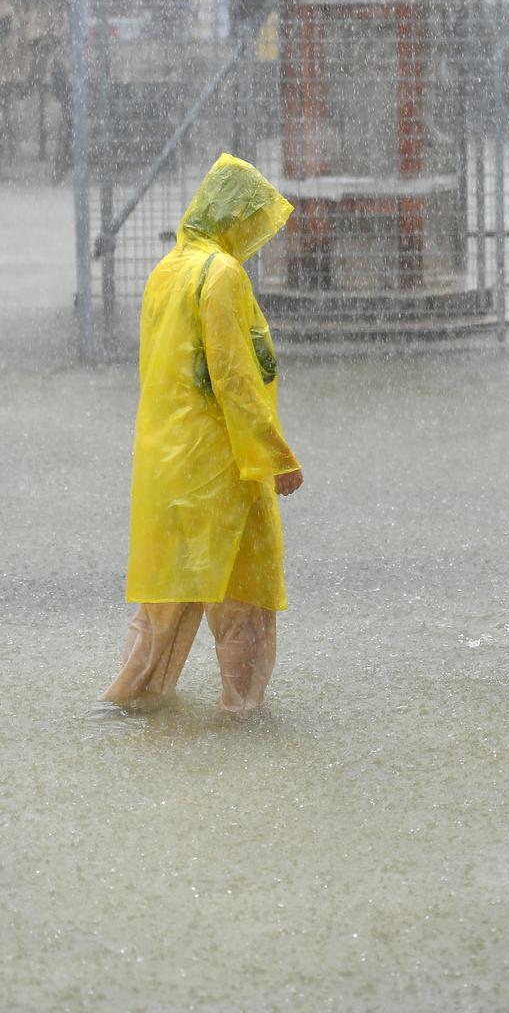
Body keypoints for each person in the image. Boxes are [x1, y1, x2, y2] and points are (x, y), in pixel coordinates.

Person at [104, 153, 302, 713]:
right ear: (235, 217)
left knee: (163, 606)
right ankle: (242, 716)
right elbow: (234, 378)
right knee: (244, 602)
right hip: (223, 468)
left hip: (167, 467)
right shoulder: (222, 275)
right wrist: (275, 456)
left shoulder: (167, 271)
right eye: (253, 221)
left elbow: (164, 372)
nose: (255, 235)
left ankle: (125, 710)